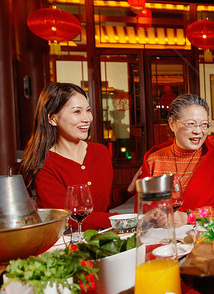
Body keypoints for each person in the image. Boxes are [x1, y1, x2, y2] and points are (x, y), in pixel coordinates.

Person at [19, 82, 140, 230]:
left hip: (104, 238)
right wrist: (132, 220)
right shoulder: (45, 164)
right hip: (68, 245)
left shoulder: (100, 152)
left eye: (88, 110)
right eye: (77, 112)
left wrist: (128, 191)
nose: (87, 119)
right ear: (52, 118)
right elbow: (70, 218)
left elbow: (99, 204)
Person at [141, 95, 214, 226]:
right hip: (162, 237)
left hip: (204, 236)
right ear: (172, 124)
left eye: (204, 125)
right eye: (191, 124)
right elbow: (144, 211)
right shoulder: (154, 160)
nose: (198, 131)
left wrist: (188, 217)